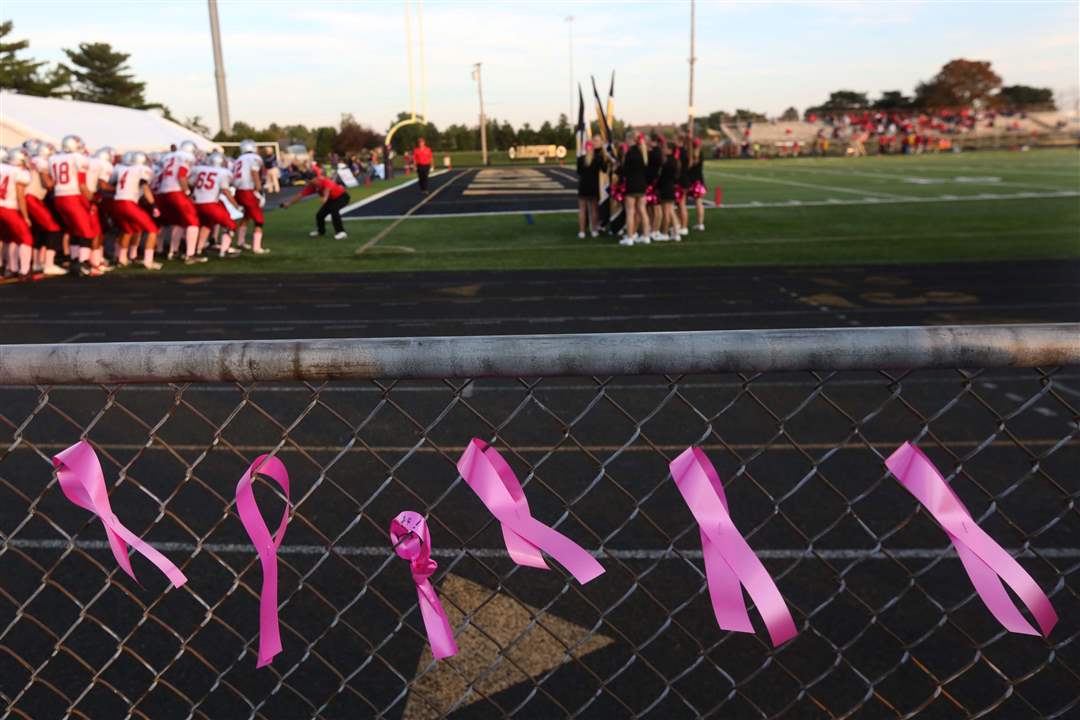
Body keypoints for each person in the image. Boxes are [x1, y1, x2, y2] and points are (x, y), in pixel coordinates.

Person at [48, 134, 95, 276]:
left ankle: (75, 260)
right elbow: (81, 184)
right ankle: (83, 263)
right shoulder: (78, 158)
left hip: (58, 197)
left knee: (74, 230)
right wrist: (93, 200)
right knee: (87, 231)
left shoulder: (53, 158)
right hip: (72, 196)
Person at [110, 151, 162, 269]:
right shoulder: (142, 169)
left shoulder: (121, 168)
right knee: (152, 229)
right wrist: (153, 205)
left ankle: (121, 259)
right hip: (129, 203)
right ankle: (148, 261)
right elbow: (144, 186)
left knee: (127, 230)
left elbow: (112, 184)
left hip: (117, 201)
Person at [157, 140, 205, 264]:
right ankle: (190, 255)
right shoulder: (186, 157)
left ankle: (173, 251)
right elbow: (181, 175)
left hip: (163, 192)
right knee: (193, 222)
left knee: (178, 222)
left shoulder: (168, 157)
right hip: (176, 191)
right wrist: (188, 192)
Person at [191, 152, 242, 258]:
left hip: (196, 203)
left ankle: (199, 249)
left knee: (206, 225)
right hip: (210, 204)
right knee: (230, 225)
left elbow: (191, 183)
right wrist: (236, 205)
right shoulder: (222, 172)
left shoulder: (199, 169)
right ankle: (225, 250)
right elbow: (226, 191)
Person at [280, 174, 350, 239]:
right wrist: (289, 203)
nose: (308, 182)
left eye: (309, 180)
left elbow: (327, 189)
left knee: (334, 210)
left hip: (342, 197)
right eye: (307, 181)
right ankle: (321, 232)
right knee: (320, 215)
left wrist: (325, 197)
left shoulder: (324, 181)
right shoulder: (312, 186)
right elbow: (300, 195)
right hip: (331, 200)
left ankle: (341, 232)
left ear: (316, 178)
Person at [0, 148, 35, 280]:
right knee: (26, 238)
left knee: (10, 238)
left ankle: (11, 268)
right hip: (8, 208)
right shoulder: (19, 172)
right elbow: (20, 197)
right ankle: (24, 271)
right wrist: (26, 216)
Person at [232, 138, 269, 254]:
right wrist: (259, 190)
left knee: (246, 216)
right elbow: (254, 172)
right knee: (259, 220)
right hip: (248, 190)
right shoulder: (254, 158)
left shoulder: (238, 159)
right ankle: (257, 247)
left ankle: (240, 242)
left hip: (238, 190)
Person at [619, 132, 651, 246]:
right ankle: (646, 236)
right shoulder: (644, 152)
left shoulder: (630, 153)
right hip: (642, 185)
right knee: (643, 211)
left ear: (631, 139)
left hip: (632, 185)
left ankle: (630, 238)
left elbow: (624, 171)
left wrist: (619, 166)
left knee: (630, 212)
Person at [576, 141, 604, 238]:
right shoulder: (598, 159)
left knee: (582, 210)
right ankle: (594, 231)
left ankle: (582, 232)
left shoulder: (580, 159)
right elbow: (604, 169)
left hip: (583, 187)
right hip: (594, 187)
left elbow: (579, 172)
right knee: (594, 210)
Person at [655, 140, 680, 242]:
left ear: (670, 150)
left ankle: (665, 233)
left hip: (666, 188)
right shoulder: (674, 160)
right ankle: (676, 234)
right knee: (670, 211)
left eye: (665, 148)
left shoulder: (668, 162)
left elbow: (662, 177)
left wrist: (657, 186)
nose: (663, 149)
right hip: (671, 188)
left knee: (666, 213)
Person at [686, 138, 707, 231]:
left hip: (690, 181)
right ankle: (700, 224)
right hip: (699, 181)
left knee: (681, 203)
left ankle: (681, 224)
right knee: (699, 203)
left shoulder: (690, 155)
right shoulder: (701, 154)